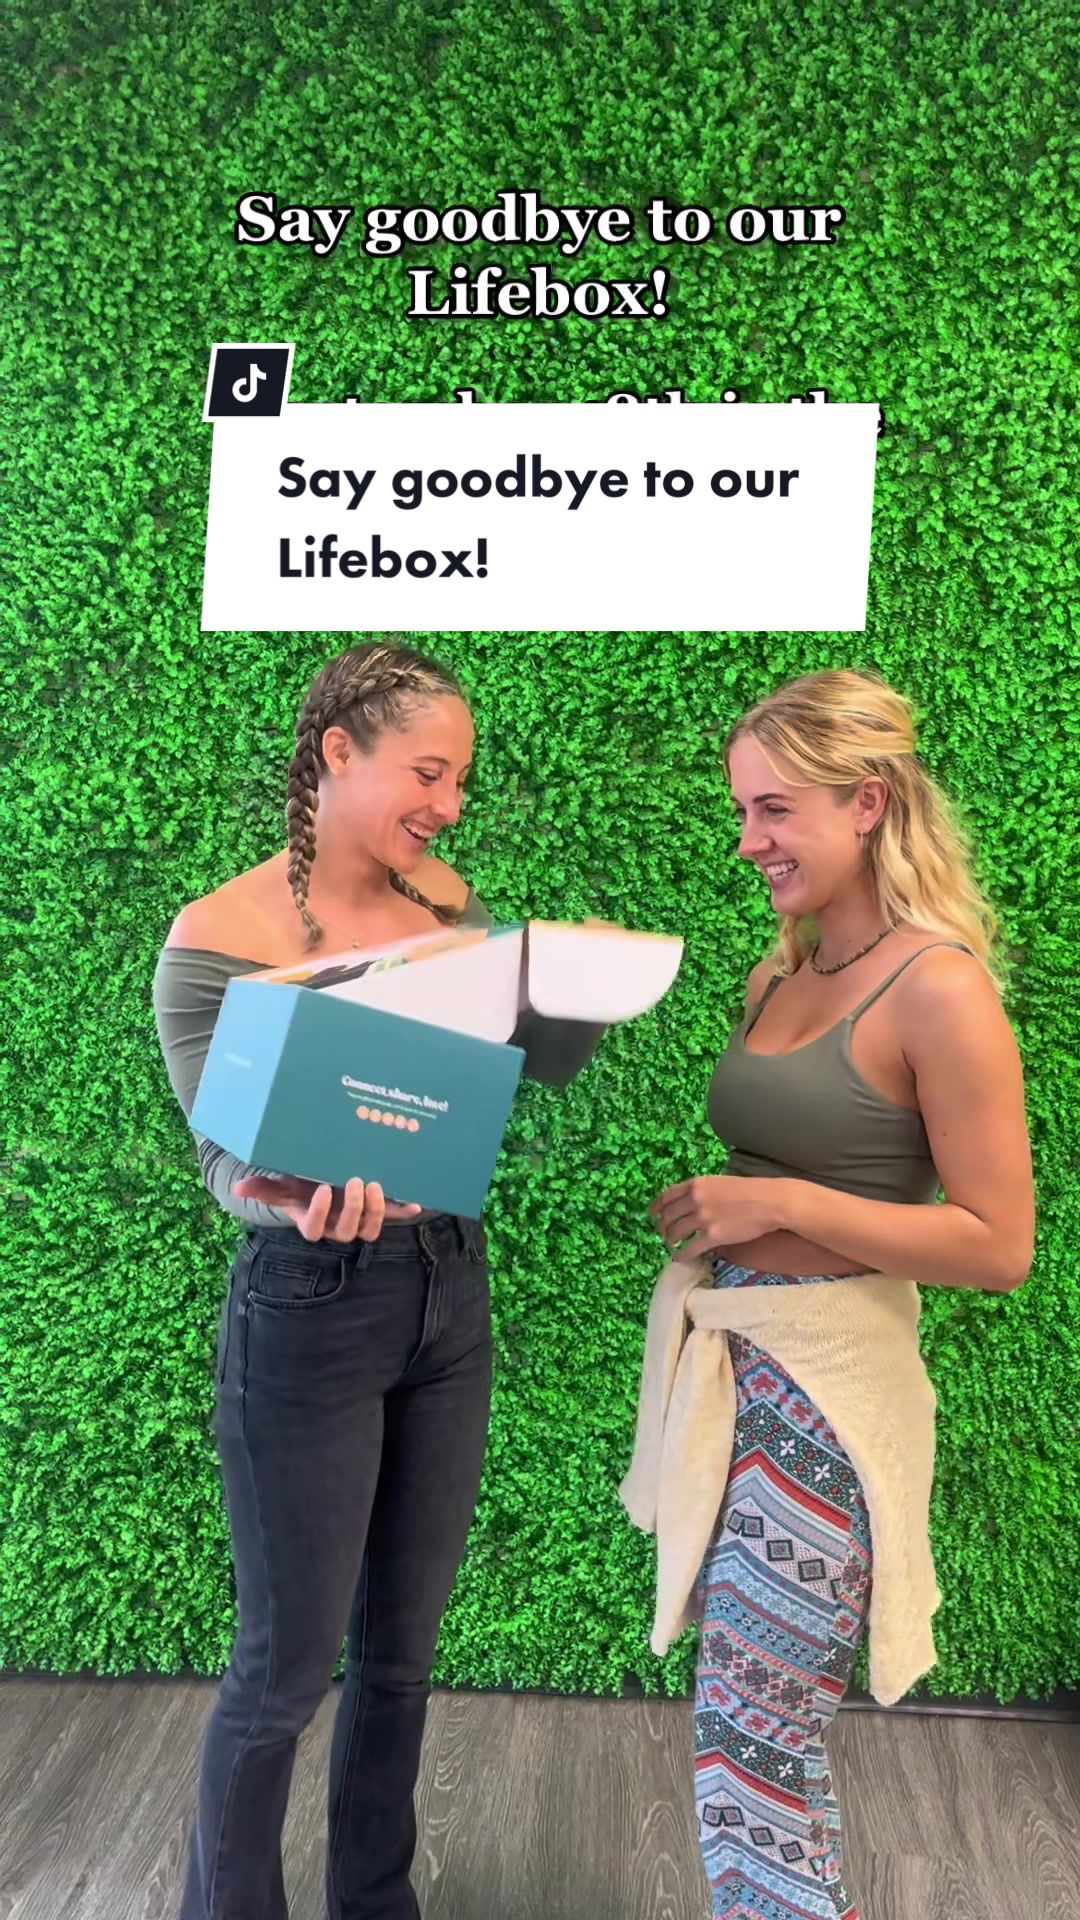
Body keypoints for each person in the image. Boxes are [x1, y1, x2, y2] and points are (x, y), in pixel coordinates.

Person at [153, 640, 599, 1920]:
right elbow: (225, 1159)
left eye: (460, 781)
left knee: (400, 1660)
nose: (448, 806)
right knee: (284, 1672)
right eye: (428, 772)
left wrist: (559, 986)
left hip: (450, 1293)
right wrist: (291, 1201)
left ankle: (375, 1903)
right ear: (338, 752)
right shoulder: (219, 936)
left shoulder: (450, 911)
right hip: (310, 1311)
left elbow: (515, 1074)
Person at [641, 669, 1034, 1920]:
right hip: (737, 1371)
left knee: (756, 1735)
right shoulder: (791, 966)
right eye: (742, 811)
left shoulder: (938, 987)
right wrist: (729, 1212)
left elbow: (998, 1245)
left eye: (774, 810)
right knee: (749, 1726)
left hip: (830, 1398)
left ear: (866, 801)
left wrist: (781, 1205)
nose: (748, 841)